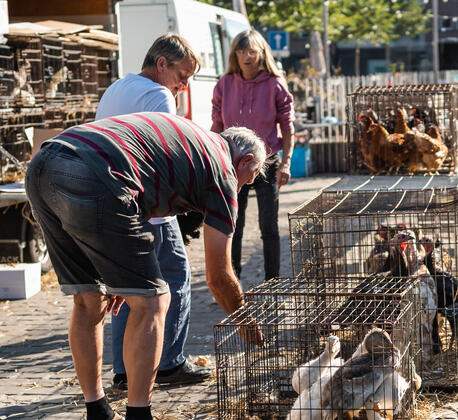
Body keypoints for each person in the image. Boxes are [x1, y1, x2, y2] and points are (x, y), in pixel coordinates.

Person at [25, 112, 266, 420]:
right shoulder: (223, 172)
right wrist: (245, 321)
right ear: (245, 161)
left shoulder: (194, 140)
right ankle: (140, 414)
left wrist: (119, 274)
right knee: (153, 302)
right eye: (252, 178)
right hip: (95, 174)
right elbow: (218, 277)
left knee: (89, 298)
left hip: (44, 163)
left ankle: (96, 409)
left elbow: (139, 197)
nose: (245, 187)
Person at [95, 33, 211, 391]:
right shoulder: (158, 95)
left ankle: (125, 371)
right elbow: (163, 151)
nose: (184, 84)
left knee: (128, 287)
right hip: (149, 205)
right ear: (162, 64)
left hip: (113, 200)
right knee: (175, 277)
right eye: (183, 75)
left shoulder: (117, 87)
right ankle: (170, 362)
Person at [211, 29, 295, 280]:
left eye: (251, 51)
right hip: (231, 163)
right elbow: (216, 126)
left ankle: (272, 282)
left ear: (261, 54)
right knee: (233, 225)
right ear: (234, 55)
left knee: (269, 226)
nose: (246, 56)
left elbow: (288, 128)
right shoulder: (224, 84)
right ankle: (230, 279)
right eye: (241, 51)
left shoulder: (275, 84)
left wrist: (286, 164)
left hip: (267, 162)